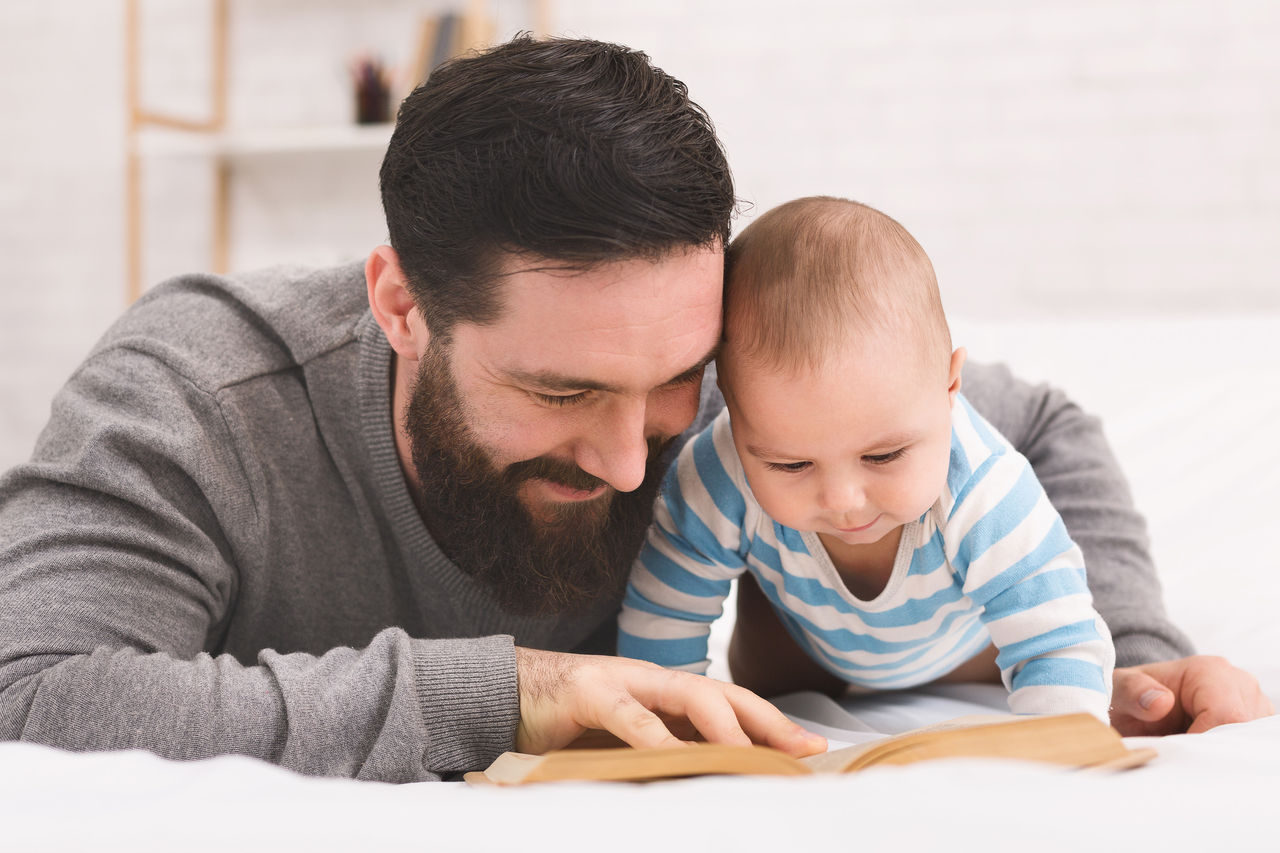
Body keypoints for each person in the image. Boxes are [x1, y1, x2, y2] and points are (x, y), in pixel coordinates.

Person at [0, 37, 1267, 783]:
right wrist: (502, 695)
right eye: (559, 391)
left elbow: (1034, 424)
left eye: (671, 383)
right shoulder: (199, 397)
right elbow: (29, 691)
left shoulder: (730, 363)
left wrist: (1136, 655)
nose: (626, 456)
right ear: (400, 306)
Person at [619, 196, 1118, 720]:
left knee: (1035, 638)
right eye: (790, 465)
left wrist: (1065, 738)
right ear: (733, 418)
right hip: (802, 646)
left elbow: (1058, 634)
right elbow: (664, 611)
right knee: (763, 673)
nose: (843, 501)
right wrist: (666, 724)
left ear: (949, 386)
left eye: (883, 456)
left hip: (965, 651)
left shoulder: (983, 488)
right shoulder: (717, 472)